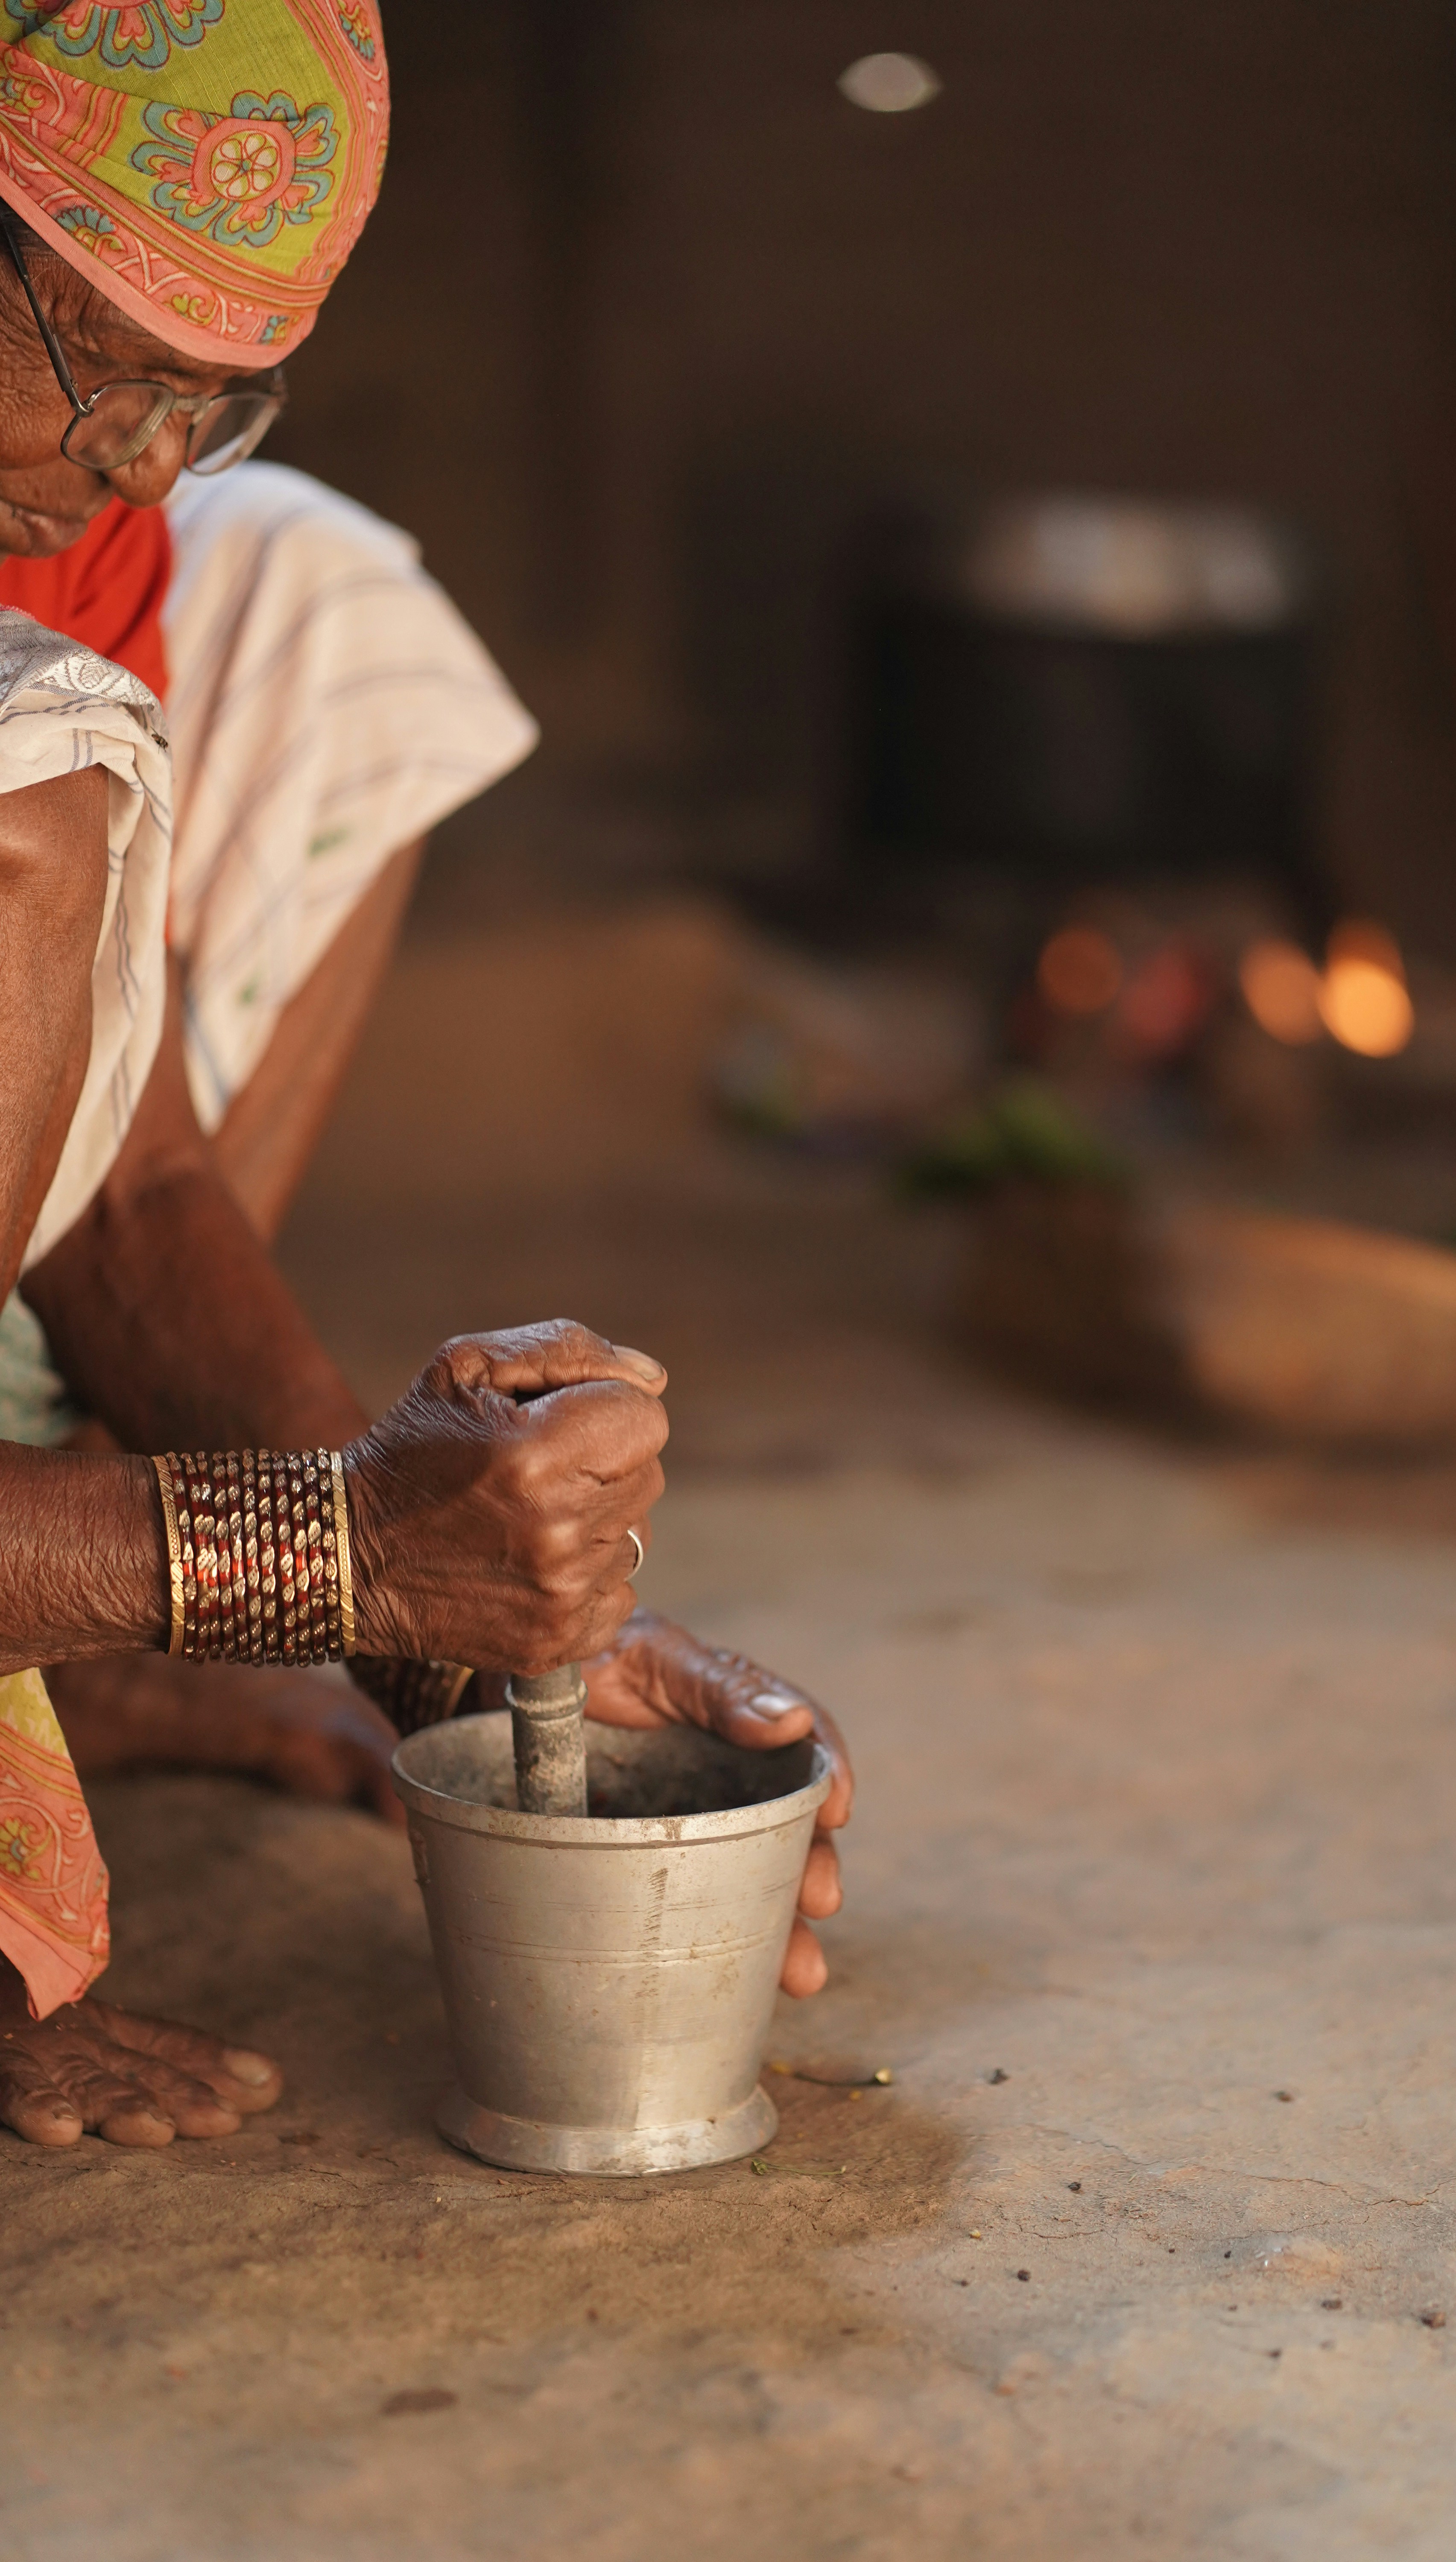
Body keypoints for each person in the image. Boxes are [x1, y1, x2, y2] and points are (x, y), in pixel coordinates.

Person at [0, 0, 850, 2151]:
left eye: (223, 388)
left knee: (309, 589)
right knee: (35, 774)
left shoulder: (88, 500)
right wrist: (324, 1549)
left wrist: (465, 1648)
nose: (149, 462)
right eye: (114, 366)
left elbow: (127, 1187)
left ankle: (61, 1588)